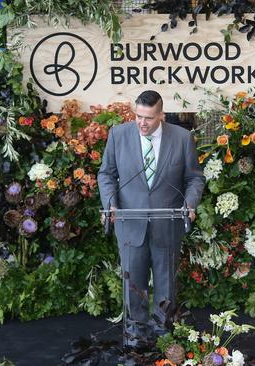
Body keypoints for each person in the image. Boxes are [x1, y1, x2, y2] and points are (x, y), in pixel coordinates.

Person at [97, 90, 205, 346]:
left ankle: (164, 337)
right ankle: (134, 338)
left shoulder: (181, 138)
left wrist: (190, 204)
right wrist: (110, 204)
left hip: (167, 224)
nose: (142, 123)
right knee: (133, 284)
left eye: (148, 118)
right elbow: (106, 175)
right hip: (129, 224)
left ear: (161, 115)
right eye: (138, 116)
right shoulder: (118, 135)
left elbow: (194, 178)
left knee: (166, 284)